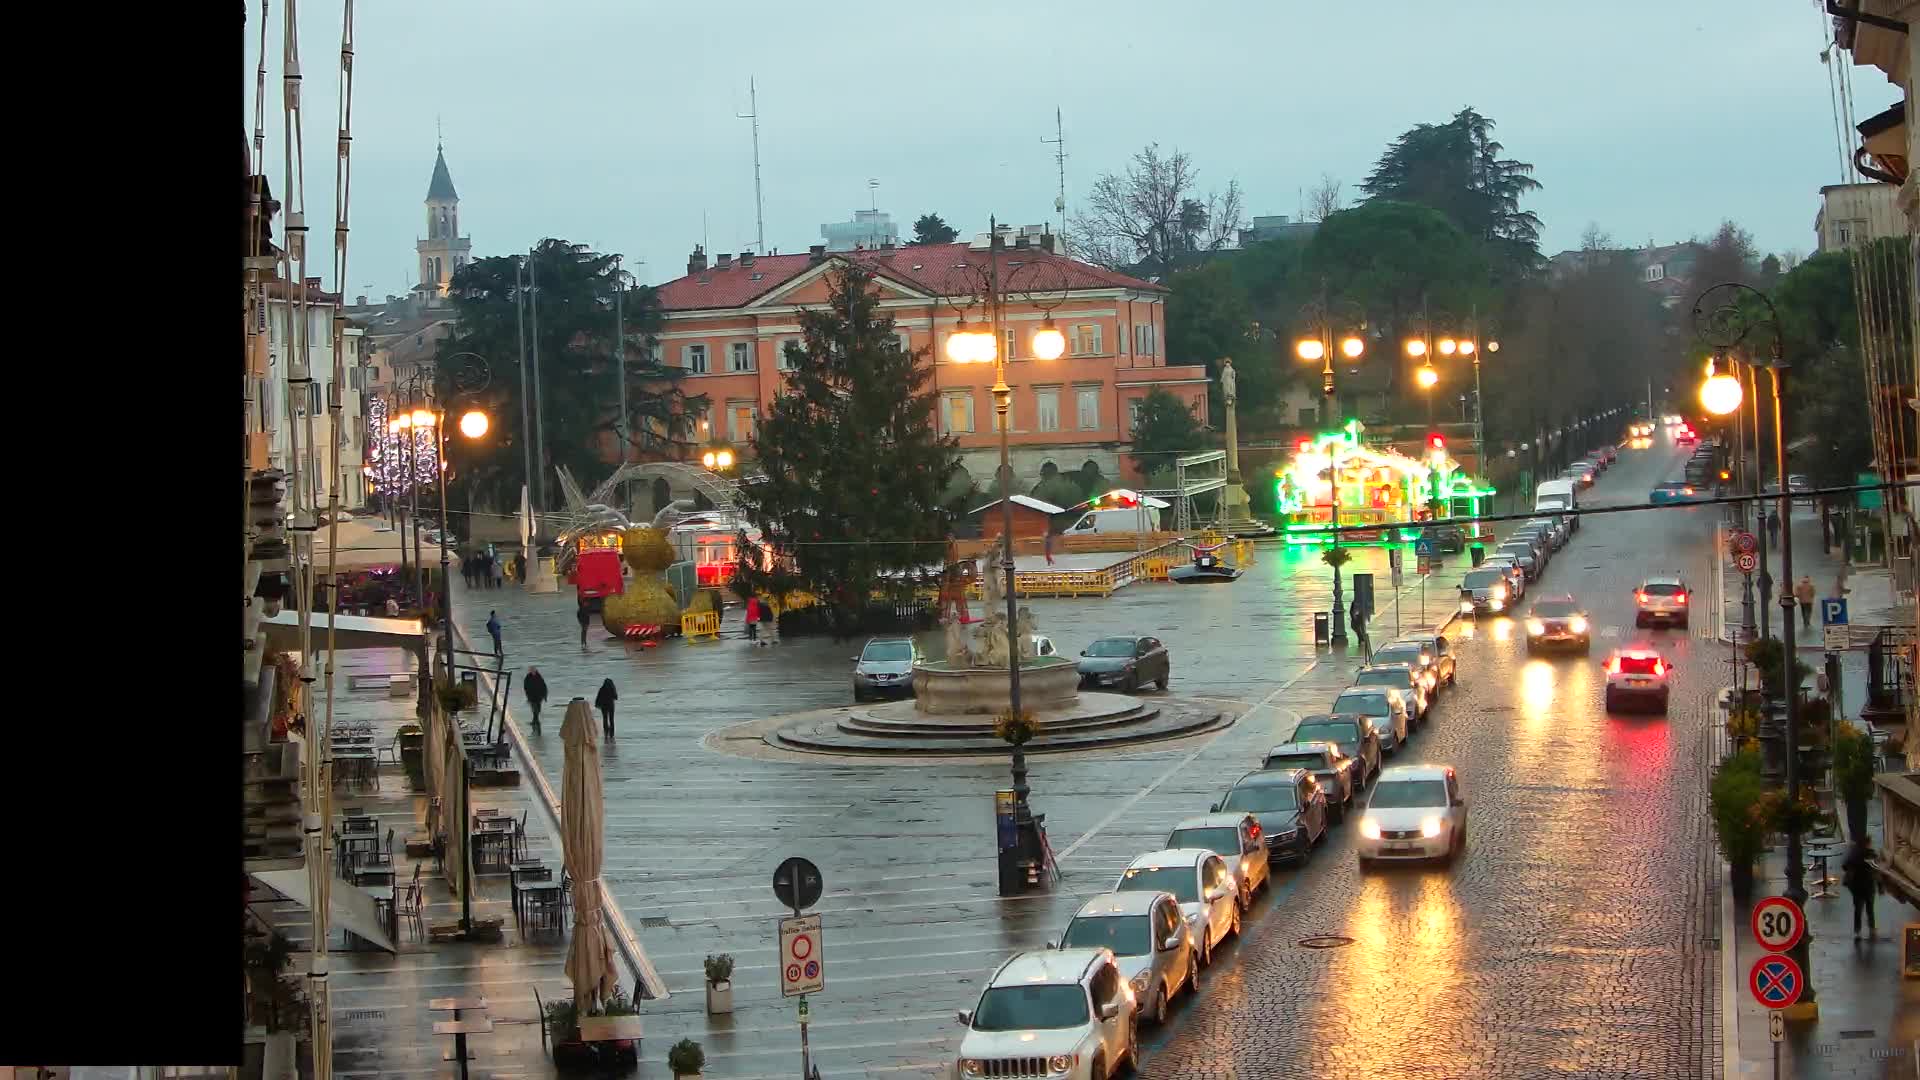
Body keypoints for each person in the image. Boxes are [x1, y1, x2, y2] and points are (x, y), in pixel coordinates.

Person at [1843, 838, 1878, 940]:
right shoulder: (1871, 854)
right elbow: (1877, 870)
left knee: (1858, 909)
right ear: (1868, 844)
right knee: (1870, 909)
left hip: (1856, 886)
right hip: (1869, 886)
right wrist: (1880, 887)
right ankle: (1872, 929)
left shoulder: (1854, 854)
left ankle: (1857, 930)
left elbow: (1845, 866)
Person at [523, 665, 549, 733]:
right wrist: (527, 694)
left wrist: (545, 696)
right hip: (532, 695)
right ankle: (536, 720)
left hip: (539, 695)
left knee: (538, 708)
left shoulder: (539, 677)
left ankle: (535, 720)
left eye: (534, 670)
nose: (533, 672)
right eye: (532, 670)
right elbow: (525, 686)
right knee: (534, 707)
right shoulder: (528, 677)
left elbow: (544, 687)